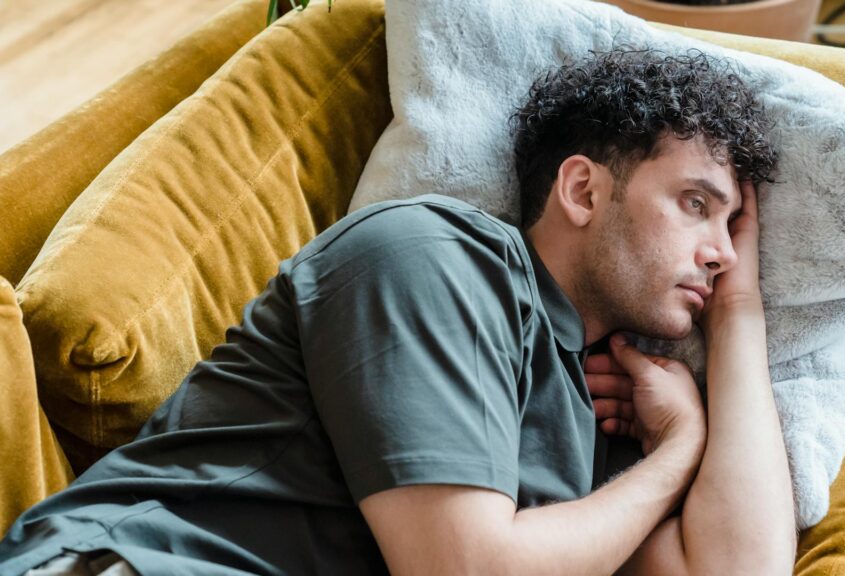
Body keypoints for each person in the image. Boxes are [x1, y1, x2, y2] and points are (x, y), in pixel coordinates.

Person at [0, 47, 794, 575]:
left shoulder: (607, 401)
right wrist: (675, 455)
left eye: (734, 230)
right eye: (696, 205)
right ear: (583, 190)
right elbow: (465, 570)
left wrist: (740, 320)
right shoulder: (431, 257)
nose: (721, 253)